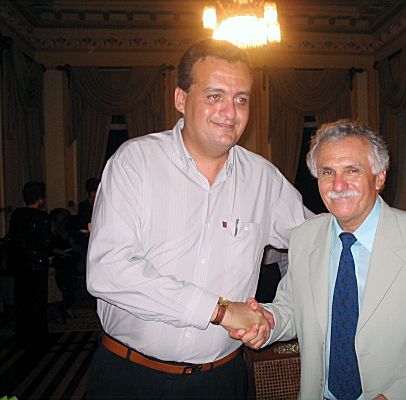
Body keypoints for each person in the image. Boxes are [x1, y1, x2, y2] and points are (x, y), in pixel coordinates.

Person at [85, 39, 307, 399]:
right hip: (131, 377)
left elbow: (318, 241)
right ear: (180, 99)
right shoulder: (135, 162)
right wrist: (219, 311)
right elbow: (108, 271)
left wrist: (278, 315)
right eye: (214, 96)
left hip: (222, 381)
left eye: (241, 99)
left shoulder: (263, 179)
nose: (230, 112)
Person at [236, 120, 406, 400]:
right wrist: (269, 320)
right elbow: (292, 307)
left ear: (379, 177)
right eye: (327, 172)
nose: (338, 184)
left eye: (352, 170)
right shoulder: (304, 237)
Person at [7, 181, 51, 347]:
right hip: (37, 265)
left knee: (22, 300)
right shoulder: (42, 217)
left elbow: (14, 239)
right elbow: (45, 242)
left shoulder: (17, 215)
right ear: (40, 198)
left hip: (21, 264)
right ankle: (38, 337)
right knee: (37, 302)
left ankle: (23, 336)